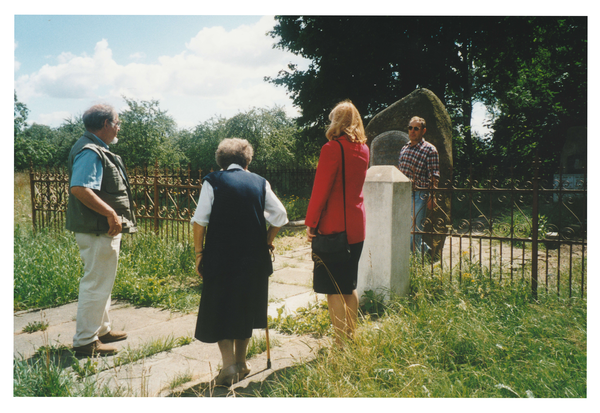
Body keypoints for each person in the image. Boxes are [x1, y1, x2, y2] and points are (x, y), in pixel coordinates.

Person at [191, 138, 288, 387]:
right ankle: (242, 363)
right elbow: (280, 215)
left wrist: (199, 253)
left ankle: (228, 366)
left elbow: (200, 220)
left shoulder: (213, 180)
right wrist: (267, 240)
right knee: (245, 307)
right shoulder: (260, 182)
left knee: (222, 306)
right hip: (253, 257)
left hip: (221, 256)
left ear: (221, 161)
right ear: (248, 160)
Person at [66, 104, 137, 356]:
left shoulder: (94, 148)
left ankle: (102, 330)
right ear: (106, 124)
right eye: (117, 122)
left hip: (99, 228)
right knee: (96, 283)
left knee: (101, 280)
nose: (119, 127)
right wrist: (110, 213)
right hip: (98, 228)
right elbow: (80, 188)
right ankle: (85, 341)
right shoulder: (90, 151)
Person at [305, 100, 369, 347]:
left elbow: (321, 190)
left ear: (337, 122)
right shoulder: (363, 149)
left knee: (333, 289)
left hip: (334, 228)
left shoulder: (332, 148)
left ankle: (340, 343)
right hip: (356, 227)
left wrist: (311, 223)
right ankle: (350, 338)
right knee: (348, 285)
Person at [397, 116, 439, 256]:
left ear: (423, 131)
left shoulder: (430, 150)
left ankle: (417, 265)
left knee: (414, 232)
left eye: (416, 128)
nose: (412, 131)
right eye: (410, 128)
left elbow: (434, 175)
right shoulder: (404, 148)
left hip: (419, 195)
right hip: (404, 194)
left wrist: (432, 196)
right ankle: (428, 253)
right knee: (404, 230)